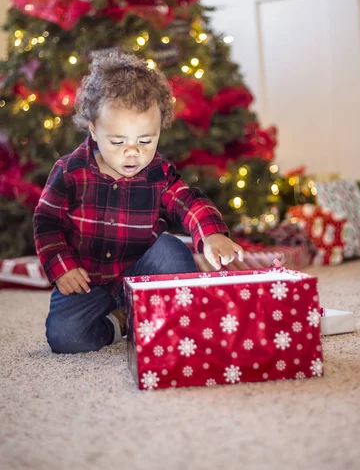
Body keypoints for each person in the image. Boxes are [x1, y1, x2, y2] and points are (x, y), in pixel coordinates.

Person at [34, 52, 244, 354]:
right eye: (118, 142)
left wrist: (211, 234)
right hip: (87, 277)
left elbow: (187, 200)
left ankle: (176, 318)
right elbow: (46, 223)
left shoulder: (158, 172)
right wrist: (62, 268)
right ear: (93, 129)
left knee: (171, 251)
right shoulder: (69, 171)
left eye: (145, 141)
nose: (132, 153)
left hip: (142, 267)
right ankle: (121, 321)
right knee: (66, 337)